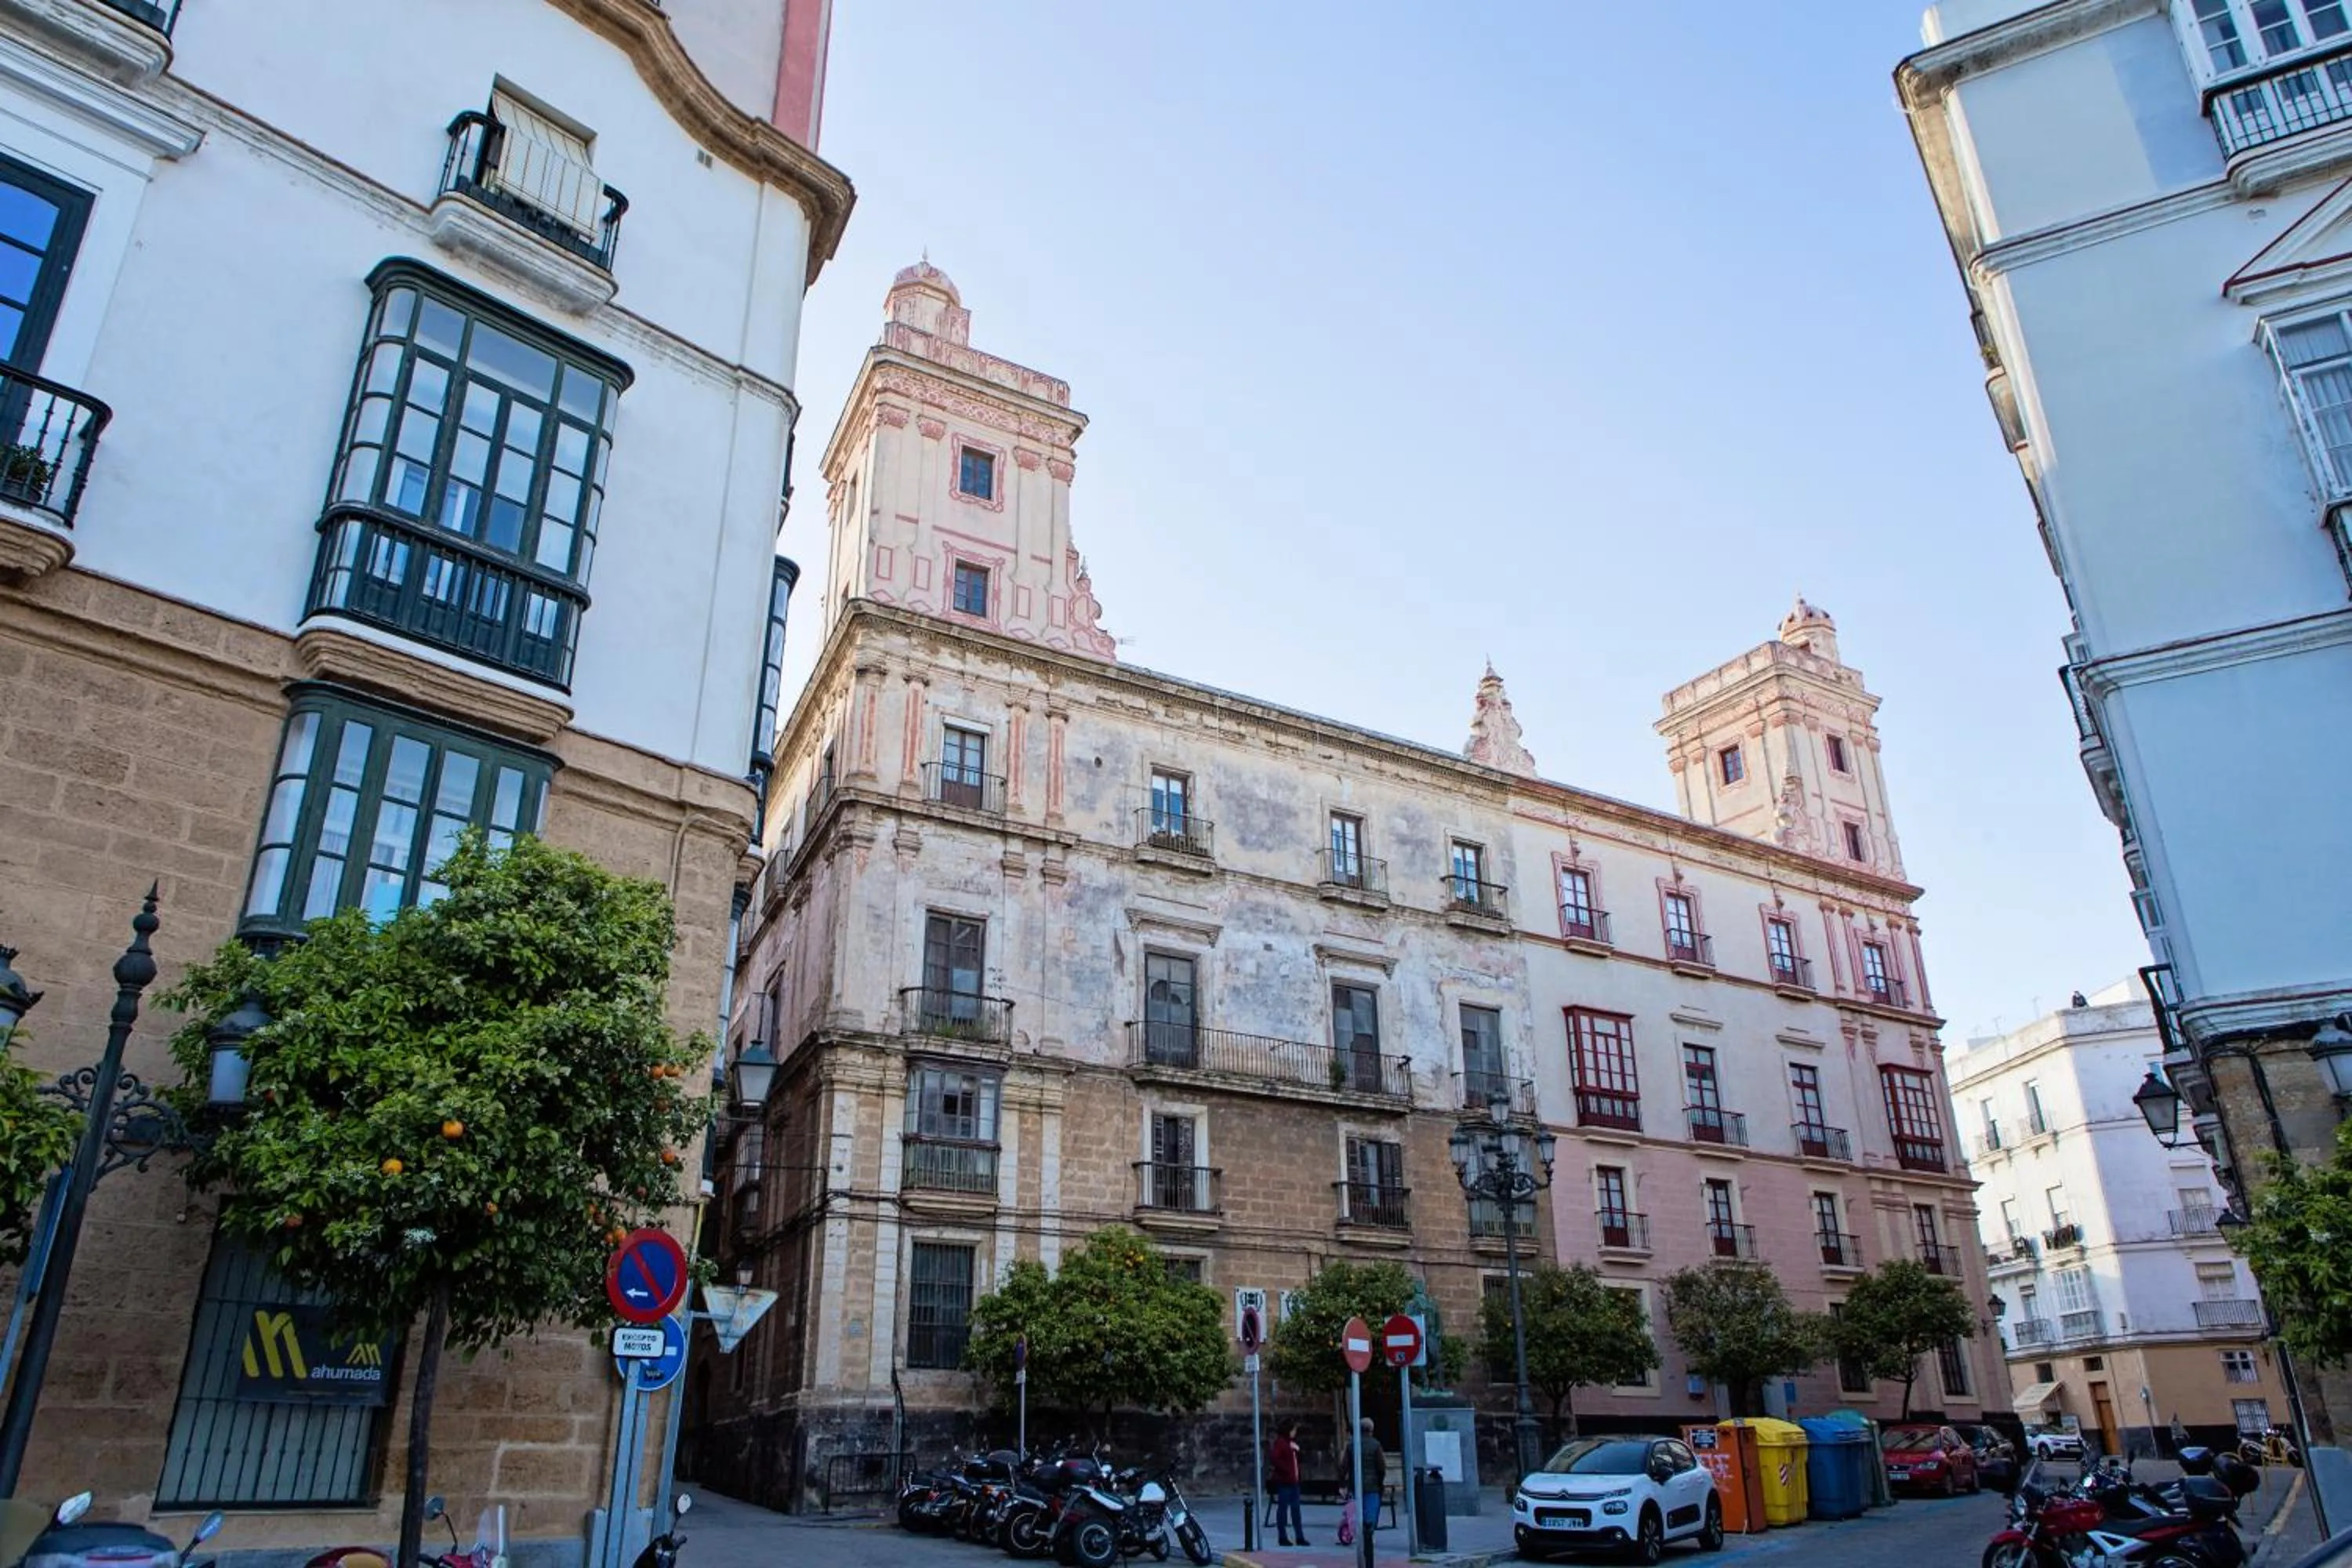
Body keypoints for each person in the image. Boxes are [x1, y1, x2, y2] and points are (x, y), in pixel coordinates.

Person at [1340, 1416, 1386, 1537]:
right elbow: (1381, 1467)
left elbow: (1344, 1466)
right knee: (1370, 1514)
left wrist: (1343, 1484)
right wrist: (1380, 1482)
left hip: (1355, 1484)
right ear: (1371, 1430)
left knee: (1357, 1511)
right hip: (1372, 1486)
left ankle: (1359, 1534)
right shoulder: (1376, 1445)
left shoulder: (1352, 1445)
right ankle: (1368, 1536)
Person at [1270, 1421, 1305, 1547]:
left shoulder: (1291, 1444)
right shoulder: (1281, 1443)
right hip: (1285, 1481)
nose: (1295, 1432)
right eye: (1293, 1430)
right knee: (1283, 1509)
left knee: (1296, 1510)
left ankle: (1299, 1536)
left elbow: (1299, 1460)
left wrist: (1298, 1450)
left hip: (1294, 1481)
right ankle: (1282, 1536)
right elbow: (1275, 1458)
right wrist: (1286, 1471)